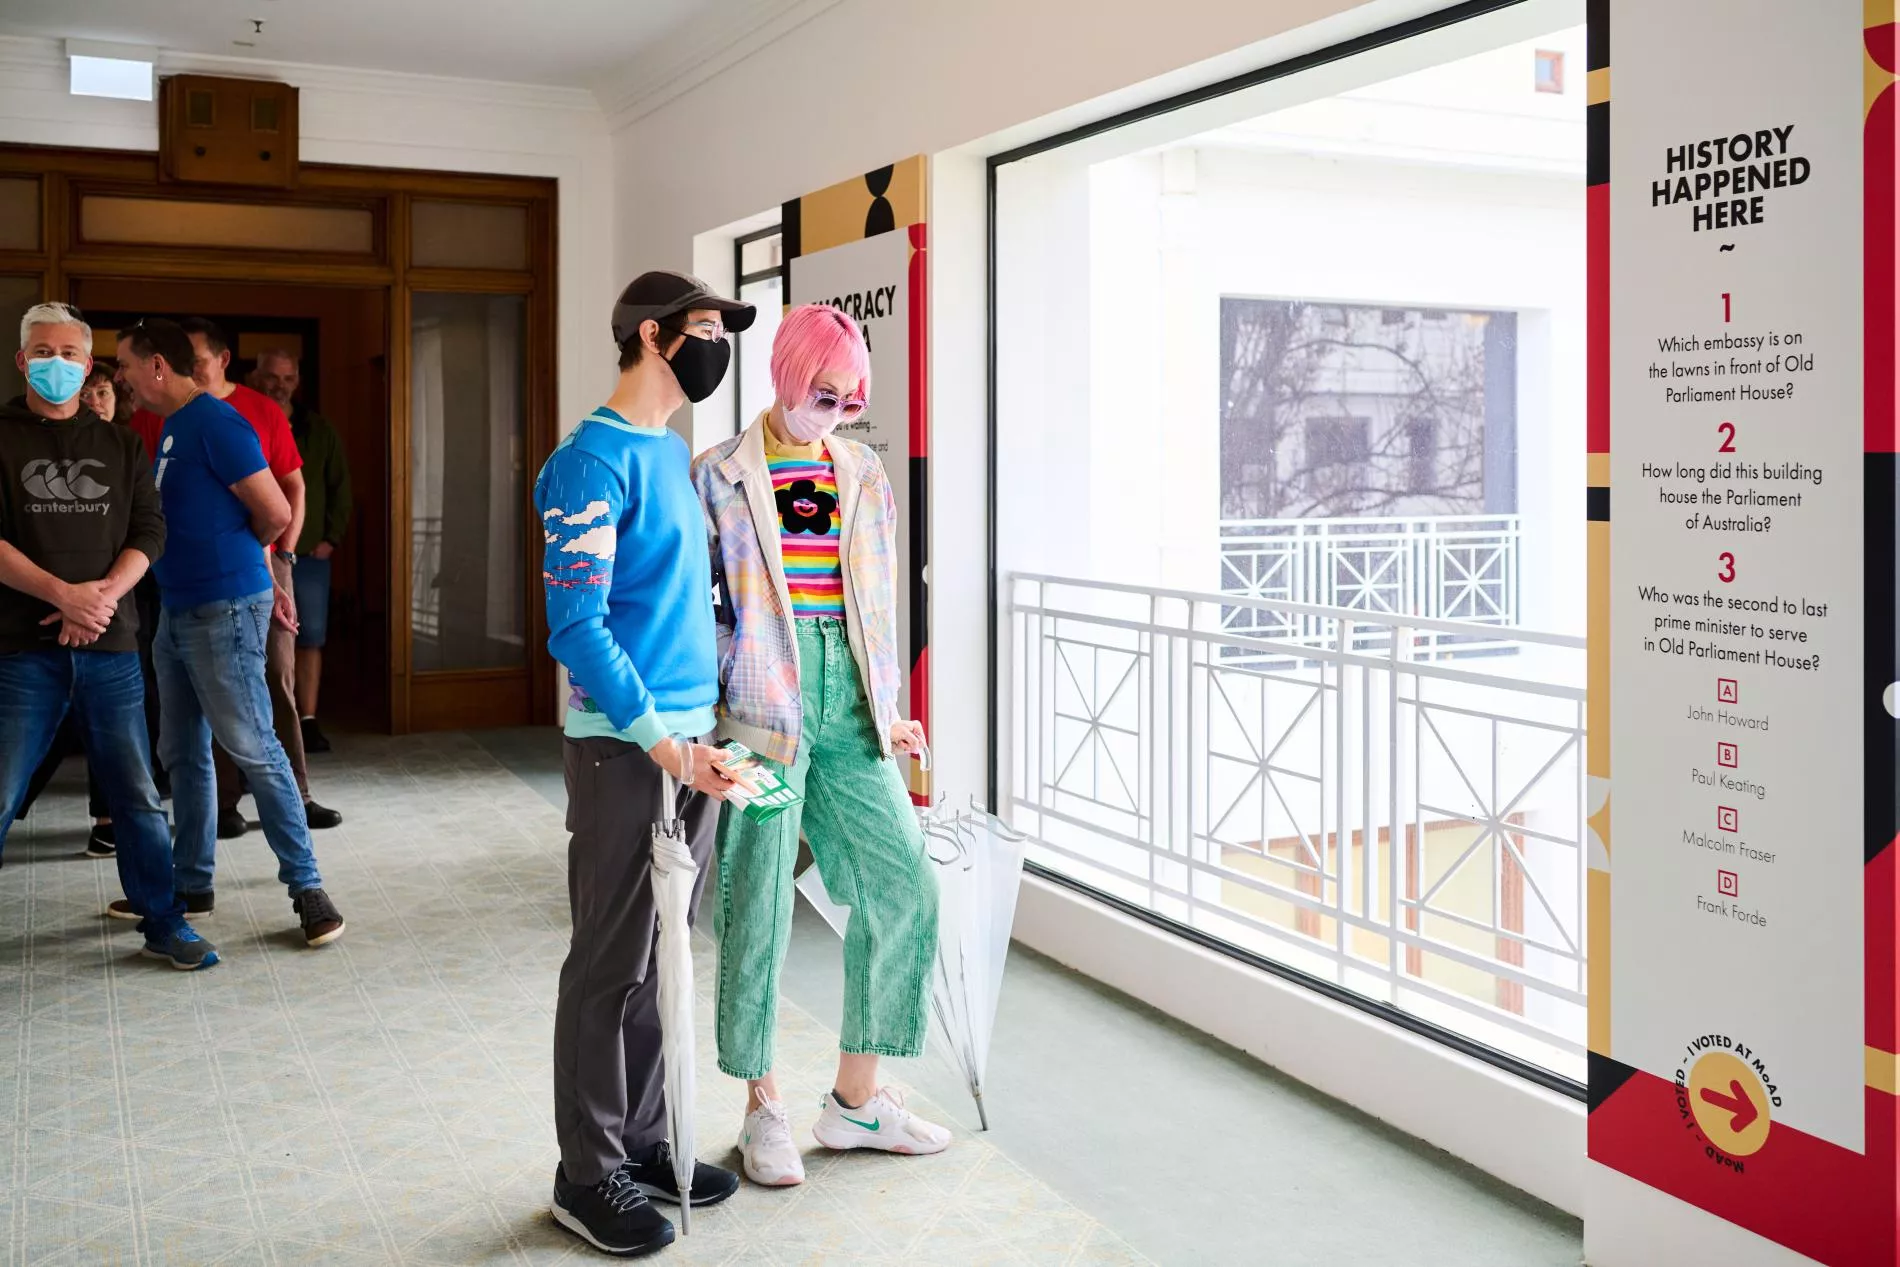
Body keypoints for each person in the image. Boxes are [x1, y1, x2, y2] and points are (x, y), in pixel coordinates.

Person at [691, 304, 946, 1189]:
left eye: (848, 398)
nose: (832, 410)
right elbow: (701, 607)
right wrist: (702, 725)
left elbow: (874, 600)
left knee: (904, 878)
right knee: (756, 892)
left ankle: (856, 1099)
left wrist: (894, 705)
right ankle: (762, 1103)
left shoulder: (863, 471)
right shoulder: (719, 474)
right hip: (762, 709)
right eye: (821, 393)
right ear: (785, 377)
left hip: (850, 710)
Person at [537, 271, 756, 1258]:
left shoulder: (673, 456)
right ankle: (587, 1174)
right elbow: (576, 628)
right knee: (610, 961)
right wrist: (664, 743)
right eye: (708, 329)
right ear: (654, 337)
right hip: (626, 752)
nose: (719, 346)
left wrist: (707, 735)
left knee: (667, 952)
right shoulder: (586, 465)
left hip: (691, 743)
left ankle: (649, 1142)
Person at [115, 316, 345, 947]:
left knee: (254, 747)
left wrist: (256, 575)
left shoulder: (217, 423)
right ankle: (192, 883)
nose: (123, 378)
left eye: (127, 366)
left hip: (223, 610)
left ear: (157, 365)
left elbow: (275, 511)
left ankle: (307, 888)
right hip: (176, 612)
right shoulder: (168, 427)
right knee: (183, 754)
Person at [0, 302, 217, 969]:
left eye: (70, 353)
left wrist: (100, 598)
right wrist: (62, 594)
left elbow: (148, 531)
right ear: (20, 359)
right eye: (43, 352)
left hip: (111, 648)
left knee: (137, 795)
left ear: (89, 363)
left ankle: (162, 920)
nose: (57, 364)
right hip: (21, 651)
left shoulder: (121, 443)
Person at [250, 347, 352, 754]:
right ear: (256, 377)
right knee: (260, 641)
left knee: (309, 637)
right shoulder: (242, 419)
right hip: (253, 549)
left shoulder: (318, 429)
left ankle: (306, 720)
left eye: (288, 378)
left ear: (298, 382)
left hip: (306, 554)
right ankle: (268, 722)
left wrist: (331, 540)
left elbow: (340, 487)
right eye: (272, 377)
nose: (279, 386)